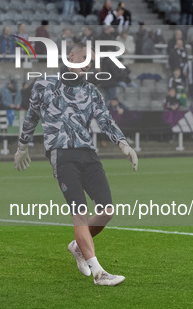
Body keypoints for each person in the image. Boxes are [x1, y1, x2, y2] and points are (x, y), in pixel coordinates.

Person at [13, 42, 137, 287]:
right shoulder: (44, 84)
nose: (87, 67)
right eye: (84, 61)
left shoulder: (91, 90)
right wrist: (22, 146)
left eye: (90, 65)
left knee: (107, 211)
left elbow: (105, 119)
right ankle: (100, 274)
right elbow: (31, 116)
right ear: (71, 56)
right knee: (79, 213)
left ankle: (77, 247)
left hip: (88, 153)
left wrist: (123, 144)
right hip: (61, 154)